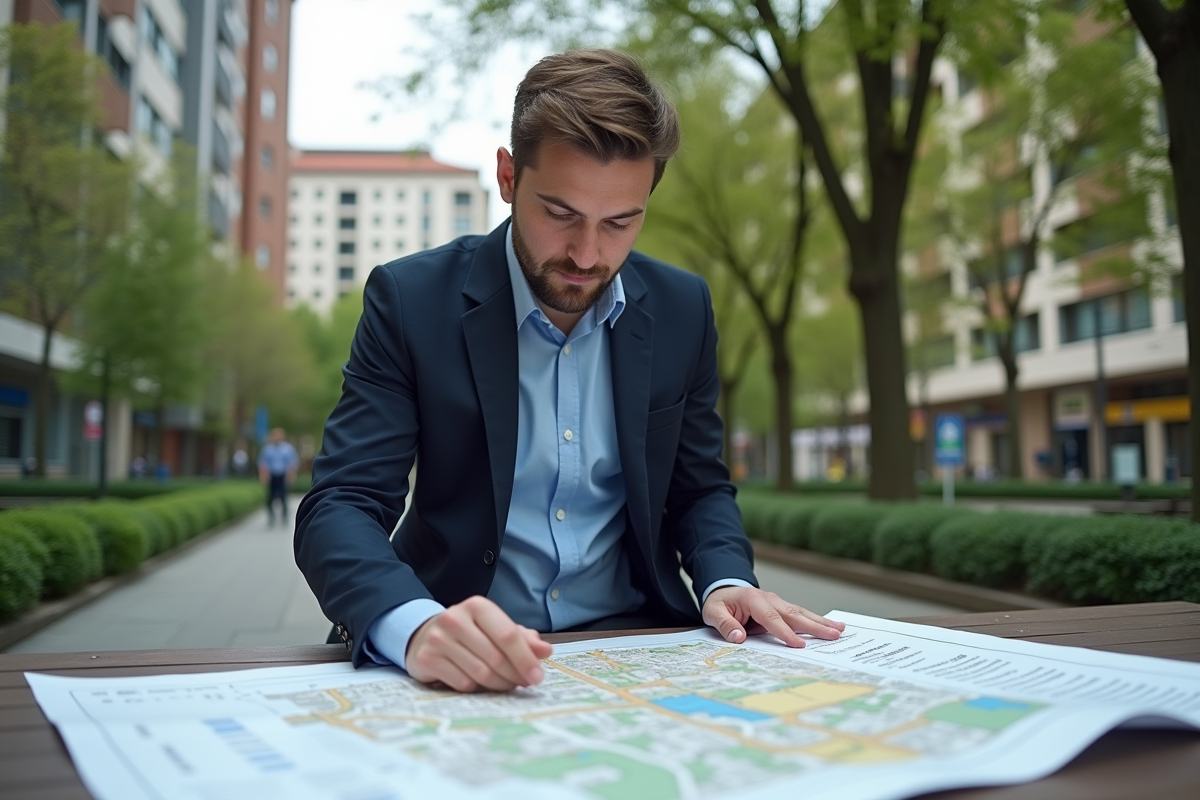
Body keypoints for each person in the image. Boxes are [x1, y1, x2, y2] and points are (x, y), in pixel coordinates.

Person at [295, 49, 844, 693]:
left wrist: (725, 579)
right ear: (507, 177)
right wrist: (412, 624)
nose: (587, 254)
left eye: (620, 222)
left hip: (639, 642)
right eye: (560, 214)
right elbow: (342, 502)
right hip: (458, 635)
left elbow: (698, 489)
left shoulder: (683, 308)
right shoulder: (410, 301)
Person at [259, 428, 299, 526]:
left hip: (283, 476)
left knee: (283, 496)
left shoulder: (288, 449)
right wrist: (263, 475)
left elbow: (293, 463)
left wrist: (291, 475)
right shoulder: (268, 449)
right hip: (272, 476)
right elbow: (263, 464)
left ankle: (284, 516)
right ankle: (271, 516)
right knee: (270, 497)